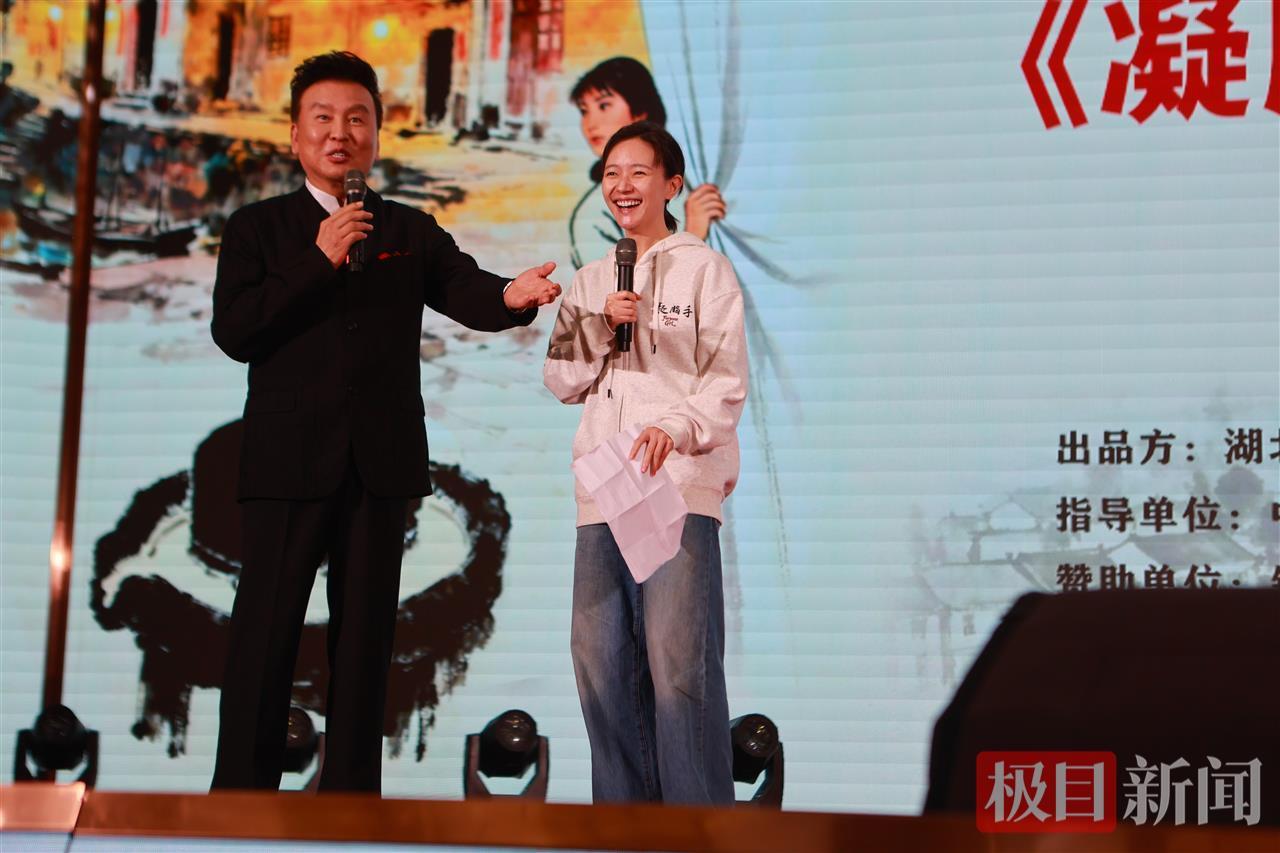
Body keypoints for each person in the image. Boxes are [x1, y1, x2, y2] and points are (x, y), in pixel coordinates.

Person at [209, 51, 560, 794]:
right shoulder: (256, 229)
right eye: (323, 118)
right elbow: (235, 330)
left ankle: (351, 805)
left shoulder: (407, 227)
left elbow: (466, 288)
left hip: (380, 465)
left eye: (357, 119)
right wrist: (317, 260)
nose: (340, 133)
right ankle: (238, 803)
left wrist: (512, 296)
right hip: (285, 464)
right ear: (295, 135)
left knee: (366, 644)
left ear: (376, 134)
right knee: (264, 637)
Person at [543, 121, 747, 804]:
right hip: (605, 490)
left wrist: (674, 427)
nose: (622, 186)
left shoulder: (705, 270)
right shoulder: (591, 280)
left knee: (678, 666)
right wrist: (602, 322)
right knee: (600, 665)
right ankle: (622, 827)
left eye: (637, 172)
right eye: (611, 173)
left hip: (675, 488)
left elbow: (725, 383)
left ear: (671, 184)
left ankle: (698, 829)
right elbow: (560, 377)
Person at [568, 57, 725, 269]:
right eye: (584, 111)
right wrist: (694, 233)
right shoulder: (592, 215)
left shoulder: (691, 186)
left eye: (604, 105)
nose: (589, 123)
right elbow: (613, 285)